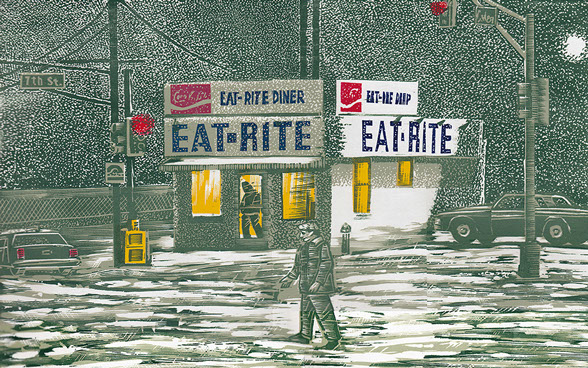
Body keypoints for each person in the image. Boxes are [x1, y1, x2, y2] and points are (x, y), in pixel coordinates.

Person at [280, 222, 341, 350]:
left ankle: (333, 339)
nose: (301, 236)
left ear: (311, 232)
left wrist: (318, 282)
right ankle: (305, 335)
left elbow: (326, 264)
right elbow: (298, 266)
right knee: (306, 312)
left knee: (324, 313)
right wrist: (290, 277)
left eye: (303, 233)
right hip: (306, 286)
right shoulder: (303, 247)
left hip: (318, 288)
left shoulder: (321, 245)